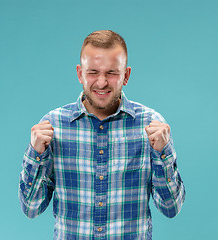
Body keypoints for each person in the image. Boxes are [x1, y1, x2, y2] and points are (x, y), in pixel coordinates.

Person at [19, 30, 185, 239]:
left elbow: (171, 207)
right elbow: (31, 208)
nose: (101, 82)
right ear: (80, 74)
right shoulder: (52, 126)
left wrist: (163, 153)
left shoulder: (151, 125)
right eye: (93, 72)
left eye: (111, 73)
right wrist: (35, 154)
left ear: (126, 76)